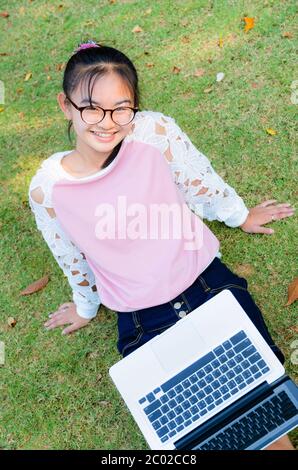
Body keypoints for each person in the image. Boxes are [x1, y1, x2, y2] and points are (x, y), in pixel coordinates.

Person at [28, 41, 295, 450]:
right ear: (66, 106)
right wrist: (85, 306)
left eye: (122, 107)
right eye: (91, 107)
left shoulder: (152, 132)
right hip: (140, 321)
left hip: (207, 286)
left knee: (260, 414)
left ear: (134, 105)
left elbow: (196, 178)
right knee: (197, 433)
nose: (108, 121)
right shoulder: (48, 189)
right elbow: (70, 255)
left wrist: (240, 215)